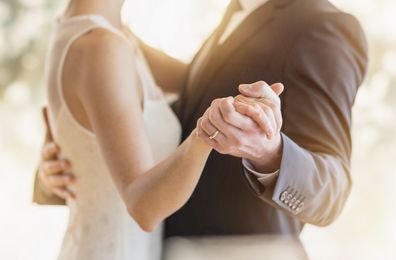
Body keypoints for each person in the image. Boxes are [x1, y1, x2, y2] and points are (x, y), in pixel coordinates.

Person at [34, 0, 368, 259]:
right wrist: (67, 160)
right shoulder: (225, 21)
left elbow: (332, 190)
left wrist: (269, 152)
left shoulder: (321, 26)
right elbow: (126, 116)